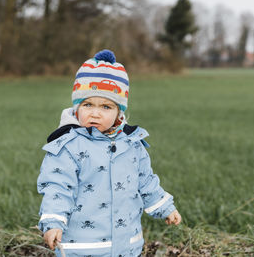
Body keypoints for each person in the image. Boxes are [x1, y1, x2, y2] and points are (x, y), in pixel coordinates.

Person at [37, 49, 181, 257]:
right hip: (82, 247)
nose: (95, 113)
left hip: (127, 244)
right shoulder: (68, 146)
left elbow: (146, 180)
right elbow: (58, 186)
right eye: (87, 104)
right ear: (76, 108)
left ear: (118, 113)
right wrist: (53, 222)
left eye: (105, 106)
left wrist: (165, 207)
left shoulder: (132, 143)